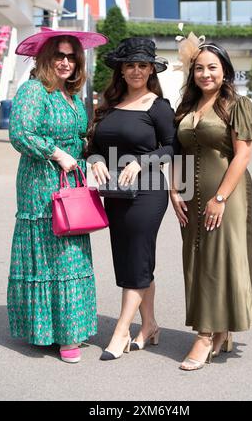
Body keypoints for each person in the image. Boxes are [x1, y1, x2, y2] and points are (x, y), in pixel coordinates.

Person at [170, 34, 252, 371]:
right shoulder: (186, 107)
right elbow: (178, 152)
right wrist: (174, 191)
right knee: (197, 259)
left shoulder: (238, 105)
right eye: (199, 68)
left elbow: (243, 154)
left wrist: (219, 197)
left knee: (219, 259)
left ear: (225, 71)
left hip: (226, 195)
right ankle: (221, 331)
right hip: (189, 194)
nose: (205, 74)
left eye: (212, 68)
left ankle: (204, 336)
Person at [7, 27, 108, 363]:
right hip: (40, 183)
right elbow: (21, 133)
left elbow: (81, 136)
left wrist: (88, 157)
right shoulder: (34, 90)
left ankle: (69, 331)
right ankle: (54, 333)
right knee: (51, 254)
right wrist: (55, 153)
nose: (65, 62)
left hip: (71, 181)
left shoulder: (72, 96)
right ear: (45, 58)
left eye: (71, 57)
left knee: (70, 252)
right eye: (59, 55)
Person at [85, 37, 176, 360]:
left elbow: (171, 147)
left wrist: (141, 161)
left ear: (151, 69)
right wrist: (95, 159)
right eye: (130, 65)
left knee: (137, 256)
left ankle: (121, 331)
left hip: (148, 193)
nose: (136, 70)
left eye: (142, 64)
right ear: (121, 71)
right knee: (130, 259)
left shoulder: (158, 106)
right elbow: (93, 145)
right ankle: (149, 323)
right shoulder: (108, 106)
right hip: (115, 193)